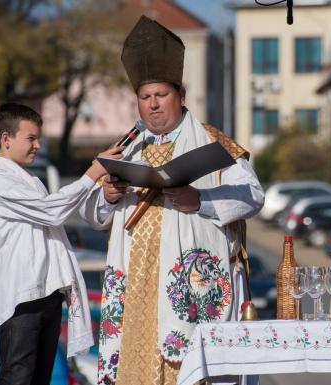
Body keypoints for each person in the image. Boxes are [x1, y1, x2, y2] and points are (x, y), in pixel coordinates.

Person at [79, 17, 264, 385]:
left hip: (188, 285)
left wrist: (201, 201)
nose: (153, 106)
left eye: (161, 96)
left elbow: (252, 195)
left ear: (181, 96)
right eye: (145, 98)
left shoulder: (213, 143)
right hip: (135, 287)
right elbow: (92, 213)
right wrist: (109, 195)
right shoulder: (126, 147)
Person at [0, 102, 123, 385]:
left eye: (38, 138)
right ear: (6, 139)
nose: (37, 145)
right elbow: (52, 210)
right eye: (31, 138)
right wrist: (93, 173)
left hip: (46, 292)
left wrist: (102, 189)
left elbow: (60, 209)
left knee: (39, 378)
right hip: (20, 297)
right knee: (18, 378)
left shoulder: (31, 180)